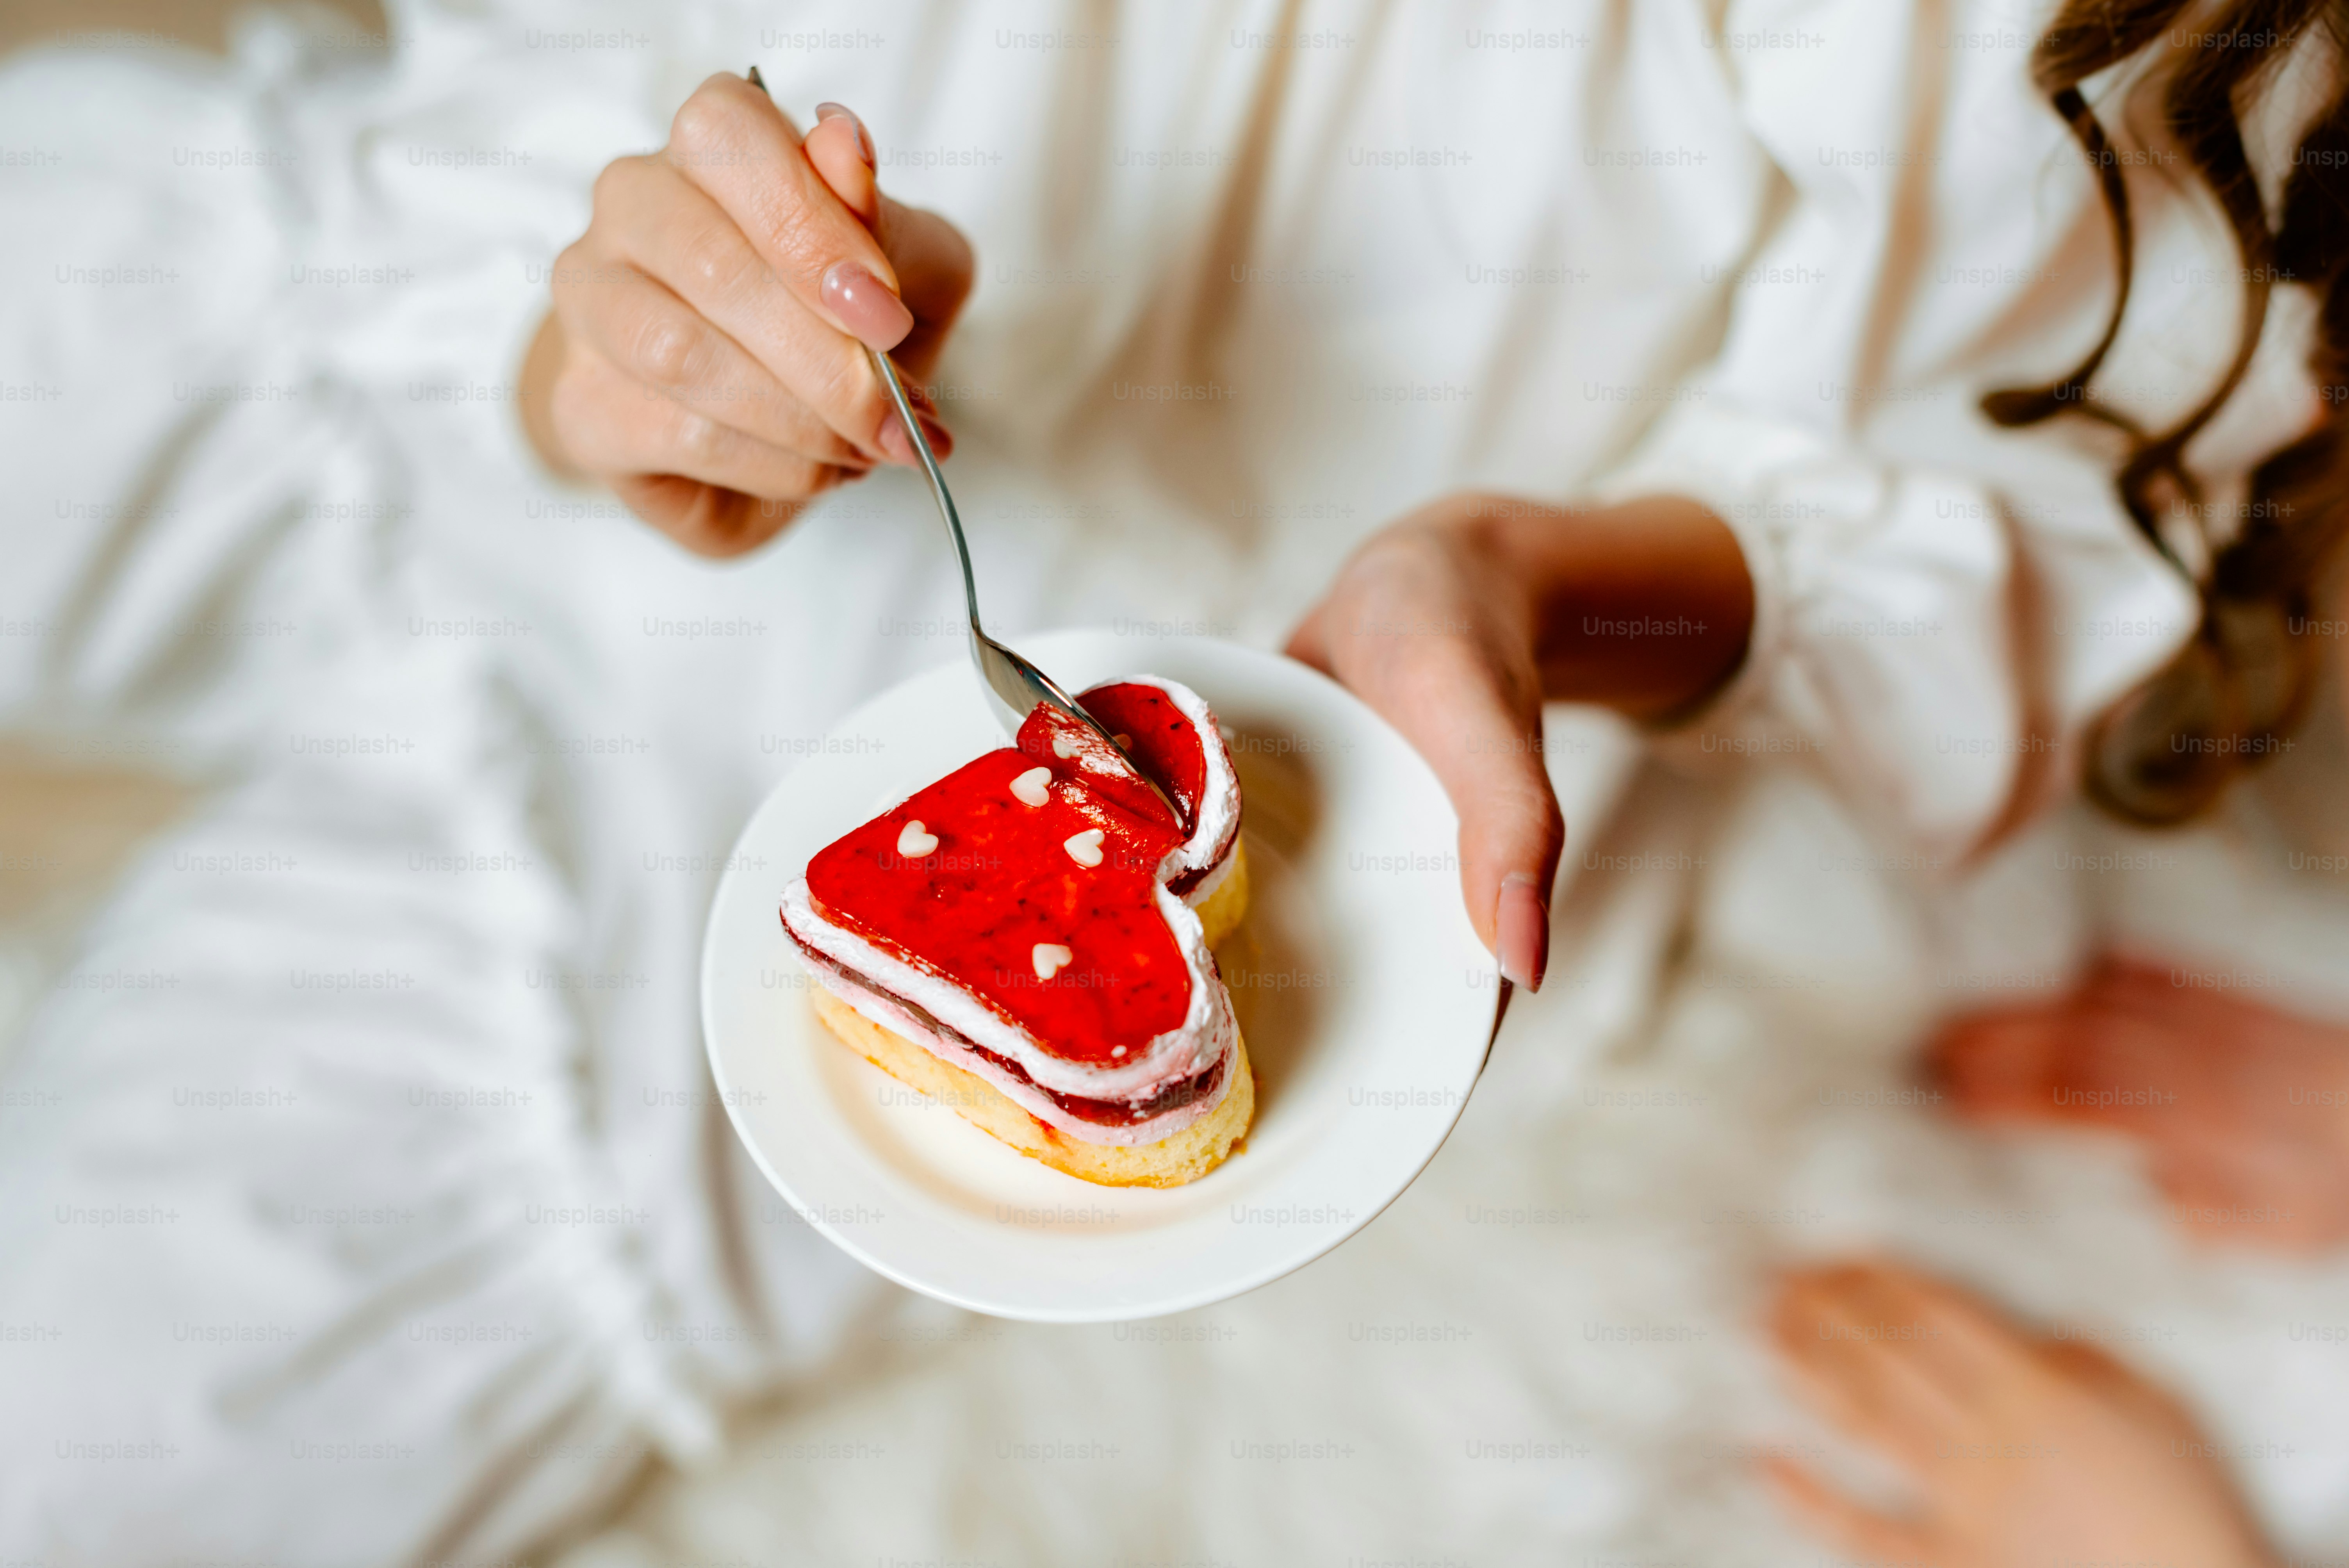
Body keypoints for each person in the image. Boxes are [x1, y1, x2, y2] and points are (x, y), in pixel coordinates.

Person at [4, 2, 2343, 1564]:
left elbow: (1973, 517)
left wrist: (1529, 583)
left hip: (756, 894)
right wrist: (616, 345)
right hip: (421, 313)